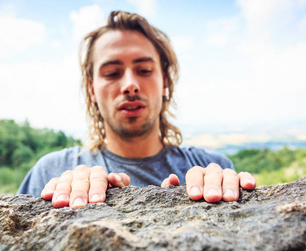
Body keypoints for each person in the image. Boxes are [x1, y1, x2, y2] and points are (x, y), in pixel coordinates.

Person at [18, 11, 256, 209]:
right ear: (92, 89)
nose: (130, 85)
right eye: (112, 73)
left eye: (144, 70)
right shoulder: (49, 172)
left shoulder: (212, 165)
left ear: (165, 81)